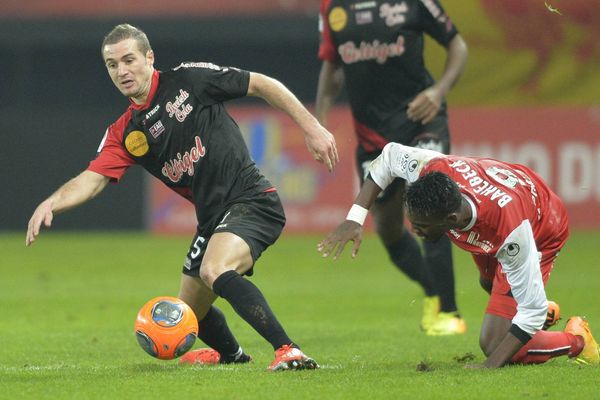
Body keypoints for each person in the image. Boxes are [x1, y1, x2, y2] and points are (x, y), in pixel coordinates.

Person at [26, 23, 339, 371]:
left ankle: (289, 351)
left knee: (214, 268)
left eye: (129, 60)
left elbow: (262, 84)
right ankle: (231, 356)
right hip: (212, 218)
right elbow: (93, 179)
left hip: (252, 200)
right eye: (112, 65)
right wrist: (52, 201)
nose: (122, 71)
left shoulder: (190, 80)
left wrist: (312, 128)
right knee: (189, 312)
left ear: (149, 57)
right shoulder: (126, 133)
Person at [318, 143, 600, 367]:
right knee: (489, 285)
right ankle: (532, 297)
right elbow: (389, 157)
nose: (414, 231)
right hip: (503, 196)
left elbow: (530, 312)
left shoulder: (510, 231)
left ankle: (577, 339)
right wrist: (355, 218)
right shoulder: (433, 171)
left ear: (451, 218)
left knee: (494, 342)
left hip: (541, 226)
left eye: (422, 226)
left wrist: (490, 365)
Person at [315, 0, 469, 335]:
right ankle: (435, 293)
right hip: (372, 135)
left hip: (421, 120)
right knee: (387, 229)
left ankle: (450, 313)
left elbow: (458, 45)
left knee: (434, 205)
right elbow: (332, 66)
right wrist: (320, 121)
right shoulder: (332, 7)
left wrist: (438, 91)